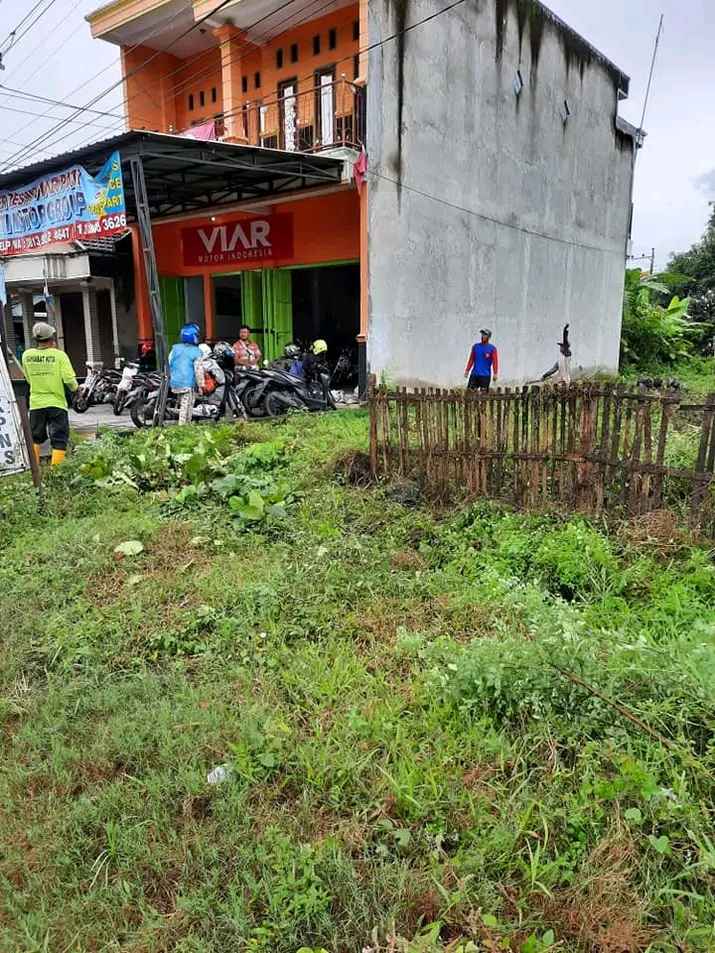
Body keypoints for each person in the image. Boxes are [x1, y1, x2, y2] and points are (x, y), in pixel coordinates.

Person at [21, 321, 78, 466]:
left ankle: (34, 470)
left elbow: (28, 378)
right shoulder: (60, 356)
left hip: (36, 404)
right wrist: (76, 389)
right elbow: (69, 380)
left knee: (35, 437)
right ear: (52, 338)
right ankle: (56, 471)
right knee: (59, 438)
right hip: (57, 403)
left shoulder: (27, 355)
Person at [168, 324, 202, 424]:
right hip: (187, 383)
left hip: (175, 382)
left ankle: (186, 425)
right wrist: (201, 385)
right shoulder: (196, 351)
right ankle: (183, 426)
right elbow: (198, 370)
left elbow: (170, 362)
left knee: (184, 403)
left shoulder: (175, 349)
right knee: (187, 405)